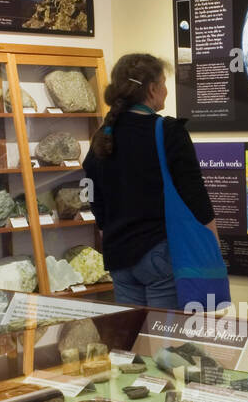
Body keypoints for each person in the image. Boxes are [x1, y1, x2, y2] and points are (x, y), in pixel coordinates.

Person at [83, 53, 218, 307]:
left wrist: (108, 230)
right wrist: (212, 246)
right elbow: (196, 196)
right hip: (159, 254)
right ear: (153, 89)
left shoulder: (104, 135)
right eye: (164, 84)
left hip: (119, 257)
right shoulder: (168, 132)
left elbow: (92, 193)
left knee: (135, 338)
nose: (167, 91)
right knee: (163, 341)